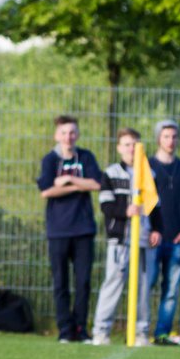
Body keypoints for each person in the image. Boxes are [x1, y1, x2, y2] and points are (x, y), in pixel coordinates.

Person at [91, 128, 163, 346]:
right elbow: (105, 205)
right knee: (112, 284)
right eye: (126, 144)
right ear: (119, 147)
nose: (131, 148)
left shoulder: (149, 174)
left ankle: (141, 332)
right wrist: (125, 211)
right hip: (120, 241)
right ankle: (101, 331)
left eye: (134, 144)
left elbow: (156, 207)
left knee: (143, 287)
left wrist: (156, 229)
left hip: (142, 241)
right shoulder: (111, 173)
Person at [37, 115, 102, 343]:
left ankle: (80, 329)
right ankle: (65, 330)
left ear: (78, 134)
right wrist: (76, 184)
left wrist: (67, 180)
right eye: (64, 132)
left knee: (83, 282)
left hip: (83, 229)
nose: (68, 136)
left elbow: (96, 183)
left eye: (72, 132)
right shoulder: (49, 160)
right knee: (61, 283)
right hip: (58, 230)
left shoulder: (86, 157)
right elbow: (46, 191)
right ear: (57, 135)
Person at [147, 119, 180, 344]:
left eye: (174, 136)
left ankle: (162, 333)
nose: (171, 141)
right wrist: (148, 230)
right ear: (159, 138)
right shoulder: (147, 166)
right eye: (166, 136)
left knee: (170, 290)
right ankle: (141, 330)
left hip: (177, 239)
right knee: (146, 285)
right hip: (152, 238)